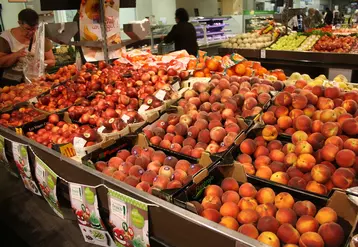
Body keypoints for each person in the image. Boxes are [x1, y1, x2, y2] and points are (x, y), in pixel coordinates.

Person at [0, 9, 55, 86]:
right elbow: (1, 62)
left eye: (34, 28)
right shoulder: (6, 38)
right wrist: (16, 55)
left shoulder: (40, 36)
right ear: (19, 23)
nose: (31, 32)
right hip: (13, 83)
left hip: (37, 81)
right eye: (28, 29)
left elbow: (52, 61)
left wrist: (41, 63)